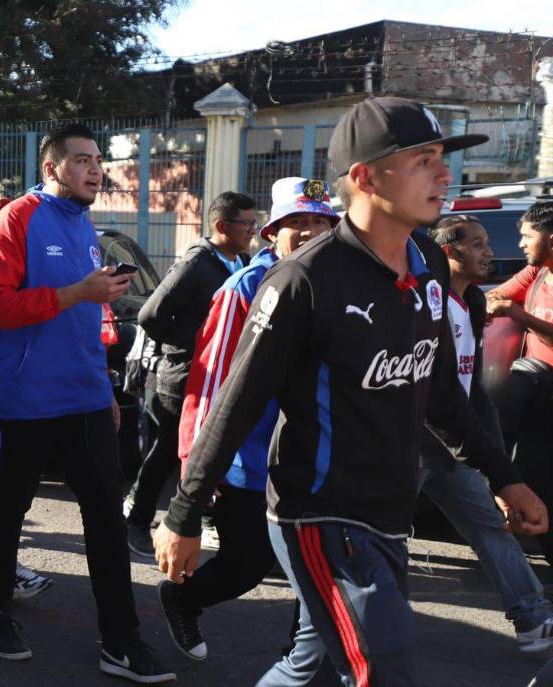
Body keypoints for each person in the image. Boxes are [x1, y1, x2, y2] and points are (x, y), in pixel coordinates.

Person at [153, 96, 548, 686]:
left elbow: (444, 395)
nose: (445, 174)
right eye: (423, 160)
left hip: (390, 513)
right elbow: (236, 401)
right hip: (321, 514)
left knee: (309, 663)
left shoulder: (427, 263)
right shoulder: (302, 279)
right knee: (383, 667)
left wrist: (505, 477)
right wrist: (184, 514)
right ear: (365, 177)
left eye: (442, 158)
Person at [0, 123, 174, 683]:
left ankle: (121, 640)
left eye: (97, 160)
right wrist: (77, 292)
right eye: (82, 160)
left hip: (85, 398)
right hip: (25, 400)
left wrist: (104, 389)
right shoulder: (16, 218)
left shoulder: (84, 224)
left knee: (107, 521)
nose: (96, 169)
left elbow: (89, 317)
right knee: (7, 514)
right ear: (51, 168)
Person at [157, 177, 336, 662]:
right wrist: (197, 479)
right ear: (272, 232)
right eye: (297, 221)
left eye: (320, 221)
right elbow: (210, 388)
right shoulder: (246, 288)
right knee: (246, 566)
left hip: (313, 460)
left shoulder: (339, 286)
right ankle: (182, 598)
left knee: (318, 567)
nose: (310, 231)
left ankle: (303, 660)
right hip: (247, 461)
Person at [424, 214, 553, 651]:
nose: (491, 252)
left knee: (489, 526)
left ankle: (533, 618)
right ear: (449, 252)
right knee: (376, 539)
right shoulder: (427, 304)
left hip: (452, 445)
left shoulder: (472, 303)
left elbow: (474, 393)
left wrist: (499, 474)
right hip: (410, 443)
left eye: (486, 242)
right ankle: (330, 629)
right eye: (478, 244)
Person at [128, 190, 255, 555]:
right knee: (169, 450)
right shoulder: (196, 263)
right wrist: (191, 344)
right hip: (183, 378)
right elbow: (150, 315)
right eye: (246, 224)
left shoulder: (242, 261)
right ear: (221, 226)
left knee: (212, 450)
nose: (253, 230)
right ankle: (137, 521)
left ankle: (207, 519)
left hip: (219, 377)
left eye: (254, 222)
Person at [485, 201, 553, 566]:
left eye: (528, 236)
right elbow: (494, 297)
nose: (521, 244)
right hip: (536, 390)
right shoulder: (536, 272)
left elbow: (510, 308)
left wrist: (518, 313)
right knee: (532, 473)